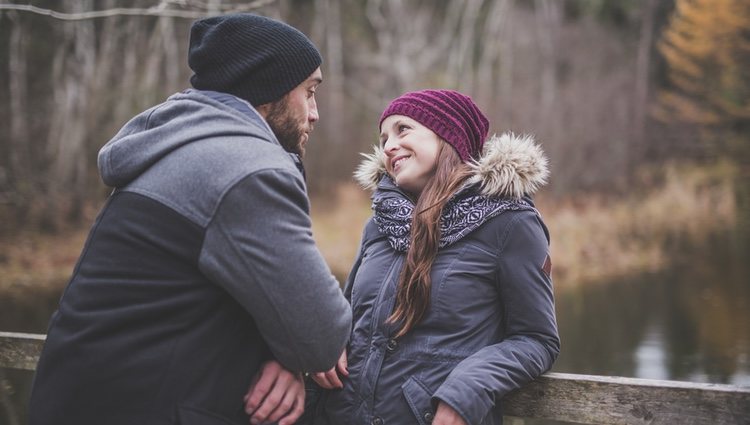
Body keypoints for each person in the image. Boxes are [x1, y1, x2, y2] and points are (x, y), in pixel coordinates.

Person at [28, 13, 351, 425]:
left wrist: (280, 352)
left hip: (80, 400)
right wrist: (295, 350)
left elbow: (199, 293)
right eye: (309, 92)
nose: (315, 113)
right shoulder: (247, 168)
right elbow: (320, 335)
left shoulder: (178, 144)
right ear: (267, 92)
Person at [306, 89, 560, 425]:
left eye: (403, 130)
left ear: (448, 135)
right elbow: (349, 315)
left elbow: (536, 340)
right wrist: (330, 339)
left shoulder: (511, 224)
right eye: (383, 138)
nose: (388, 146)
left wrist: (467, 390)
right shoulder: (379, 224)